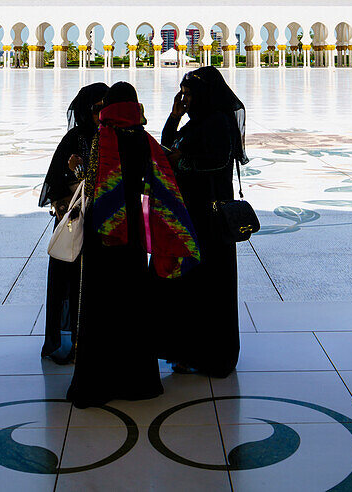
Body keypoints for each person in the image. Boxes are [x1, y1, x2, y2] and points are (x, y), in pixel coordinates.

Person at [67, 81, 200, 408]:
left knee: (101, 307)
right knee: (133, 304)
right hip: (135, 236)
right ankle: (138, 381)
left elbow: (94, 185)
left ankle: (98, 382)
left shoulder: (103, 138)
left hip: (104, 236)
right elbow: (164, 186)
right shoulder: (144, 141)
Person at [156, 66, 247, 377]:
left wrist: (183, 162)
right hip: (191, 215)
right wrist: (174, 116)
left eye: (190, 93)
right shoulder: (194, 124)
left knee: (211, 287)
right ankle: (189, 351)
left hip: (209, 218)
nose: (186, 98)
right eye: (184, 93)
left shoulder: (218, 123)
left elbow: (218, 162)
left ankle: (214, 355)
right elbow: (168, 146)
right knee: (191, 286)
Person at [38, 82, 109, 363]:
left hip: (102, 221)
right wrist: (64, 198)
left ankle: (95, 339)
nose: (100, 114)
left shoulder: (111, 137)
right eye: (95, 109)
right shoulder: (73, 139)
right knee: (69, 281)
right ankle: (69, 342)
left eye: (105, 108)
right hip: (76, 221)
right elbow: (55, 183)